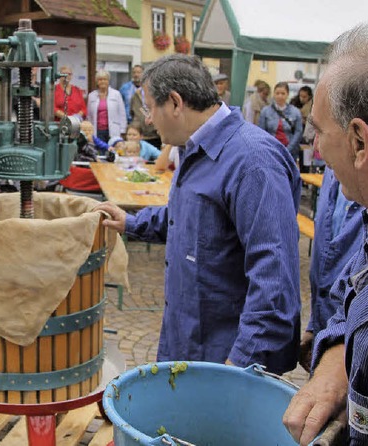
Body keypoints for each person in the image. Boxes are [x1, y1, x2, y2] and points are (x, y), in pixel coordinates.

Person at [95, 54, 301, 374]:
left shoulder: (253, 161)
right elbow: (188, 220)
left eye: (150, 107)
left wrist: (239, 365)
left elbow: (274, 279)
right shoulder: (193, 149)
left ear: (176, 103)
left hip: (226, 361)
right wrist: (132, 222)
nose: (148, 120)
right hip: (187, 344)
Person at [283, 23, 368, 445]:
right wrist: (339, 362)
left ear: (358, 141)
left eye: (319, 131)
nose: (315, 148)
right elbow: (352, 307)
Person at [298, 167, 364, 372]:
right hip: (325, 336)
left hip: (355, 360)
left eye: (320, 132)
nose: (316, 143)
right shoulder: (332, 168)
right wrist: (314, 325)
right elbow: (325, 259)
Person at [258, 82, 303, 162]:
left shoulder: (295, 112)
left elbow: (298, 132)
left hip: (290, 152)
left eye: (283, 93)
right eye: (277, 93)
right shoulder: (265, 111)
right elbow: (261, 132)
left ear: (287, 94)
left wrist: (288, 149)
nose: (280, 96)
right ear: (273, 94)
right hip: (270, 151)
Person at [87, 69, 127, 143]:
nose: (102, 81)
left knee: (113, 151)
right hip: (97, 130)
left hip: (113, 130)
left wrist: (123, 130)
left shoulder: (116, 94)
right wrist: (89, 131)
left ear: (108, 81)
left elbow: (122, 113)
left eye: (105, 79)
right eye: (100, 79)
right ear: (97, 82)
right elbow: (89, 116)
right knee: (100, 151)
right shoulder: (91, 96)